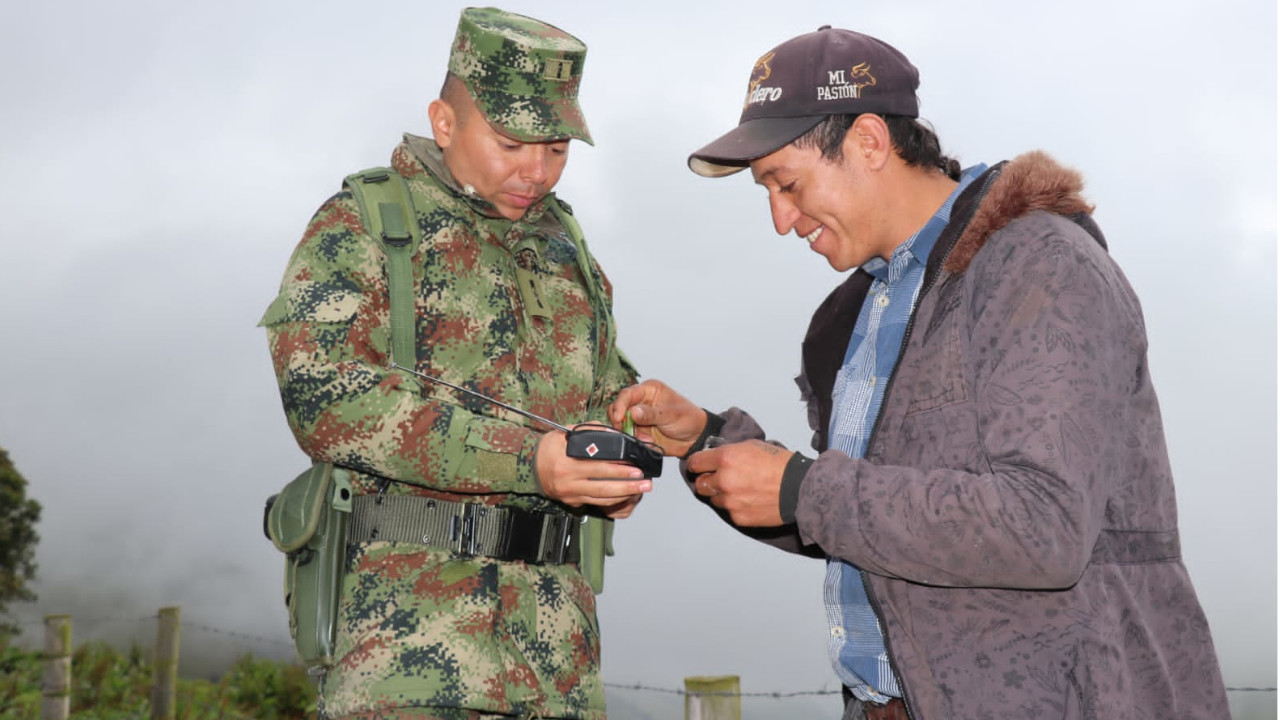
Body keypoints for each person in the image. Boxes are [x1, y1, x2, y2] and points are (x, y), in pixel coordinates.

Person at [610, 24, 1230, 720]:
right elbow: (868, 522)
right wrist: (709, 441)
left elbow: (1044, 526)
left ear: (870, 142)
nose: (780, 219)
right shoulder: (851, 316)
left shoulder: (1039, 268)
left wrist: (802, 489)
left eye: (787, 183)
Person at [261, 7, 651, 720]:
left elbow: (601, 389)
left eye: (557, 148)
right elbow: (326, 400)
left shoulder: (564, 246)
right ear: (444, 123)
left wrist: (614, 458)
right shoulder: (366, 225)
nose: (537, 170)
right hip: (411, 654)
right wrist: (529, 461)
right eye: (511, 143)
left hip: (558, 662)